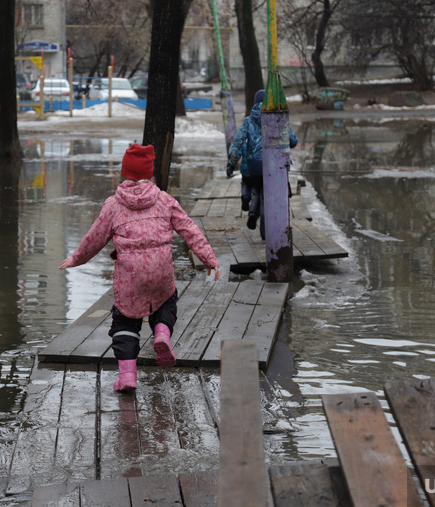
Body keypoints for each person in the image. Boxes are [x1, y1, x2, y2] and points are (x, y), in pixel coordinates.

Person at [59, 144, 220, 393]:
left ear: (124, 172)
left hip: (130, 277)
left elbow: (94, 238)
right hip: (161, 272)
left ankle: (127, 377)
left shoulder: (113, 205)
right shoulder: (165, 200)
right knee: (166, 303)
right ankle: (162, 334)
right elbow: (190, 229)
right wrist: (209, 258)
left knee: (124, 322)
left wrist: (76, 259)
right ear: (150, 173)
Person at [226, 90, 298, 238]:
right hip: (276, 165)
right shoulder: (278, 119)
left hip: (254, 166)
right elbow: (293, 141)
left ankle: (254, 212)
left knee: (257, 189)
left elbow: (237, 143)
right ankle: (272, 227)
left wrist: (231, 163)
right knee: (275, 196)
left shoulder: (248, 121)